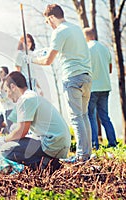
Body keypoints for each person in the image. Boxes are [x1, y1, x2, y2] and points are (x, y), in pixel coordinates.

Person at [31, 4, 92, 163]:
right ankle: (87, 153)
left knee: (76, 117)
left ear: (51, 17)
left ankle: (80, 156)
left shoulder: (59, 31)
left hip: (72, 78)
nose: (48, 25)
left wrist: (31, 60)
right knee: (84, 116)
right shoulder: (76, 28)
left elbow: (48, 60)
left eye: (47, 21)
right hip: (86, 76)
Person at [0, 71, 71, 170]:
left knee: (6, 149)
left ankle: (47, 164)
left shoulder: (25, 99)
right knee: (14, 144)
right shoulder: (31, 95)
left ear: (13, 87)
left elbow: (21, 132)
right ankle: (47, 161)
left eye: (6, 90)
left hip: (53, 144)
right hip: (58, 142)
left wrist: (2, 141)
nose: (7, 95)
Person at [83, 27, 117, 149]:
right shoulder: (104, 48)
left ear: (85, 36)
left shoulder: (86, 49)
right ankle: (113, 143)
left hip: (92, 87)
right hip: (105, 87)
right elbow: (110, 69)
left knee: (91, 115)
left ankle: (94, 145)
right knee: (105, 116)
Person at [0, 66, 14, 133]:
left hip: (9, 108)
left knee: (10, 129)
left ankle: (8, 134)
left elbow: (9, 95)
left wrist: (1, 99)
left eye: (1, 72)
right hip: (2, 109)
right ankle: (4, 130)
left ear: (5, 73)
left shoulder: (8, 82)